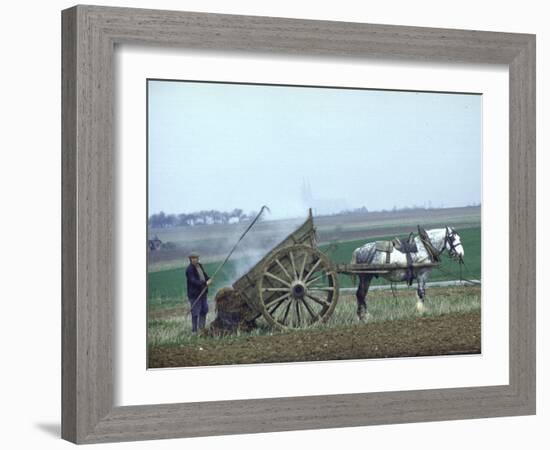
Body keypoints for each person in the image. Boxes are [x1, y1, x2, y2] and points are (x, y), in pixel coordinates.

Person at [185, 252, 212, 334]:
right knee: (195, 312)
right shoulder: (189, 269)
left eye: (196, 258)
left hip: (203, 292)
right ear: (190, 259)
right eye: (193, 258)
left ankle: (201, 328)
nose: (194, 259)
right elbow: (193, 281)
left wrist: (208, 279)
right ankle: (194, 331)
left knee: (204, 310)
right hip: (194, 294)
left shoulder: (199, 266)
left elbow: (204, 275)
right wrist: (205, 283)